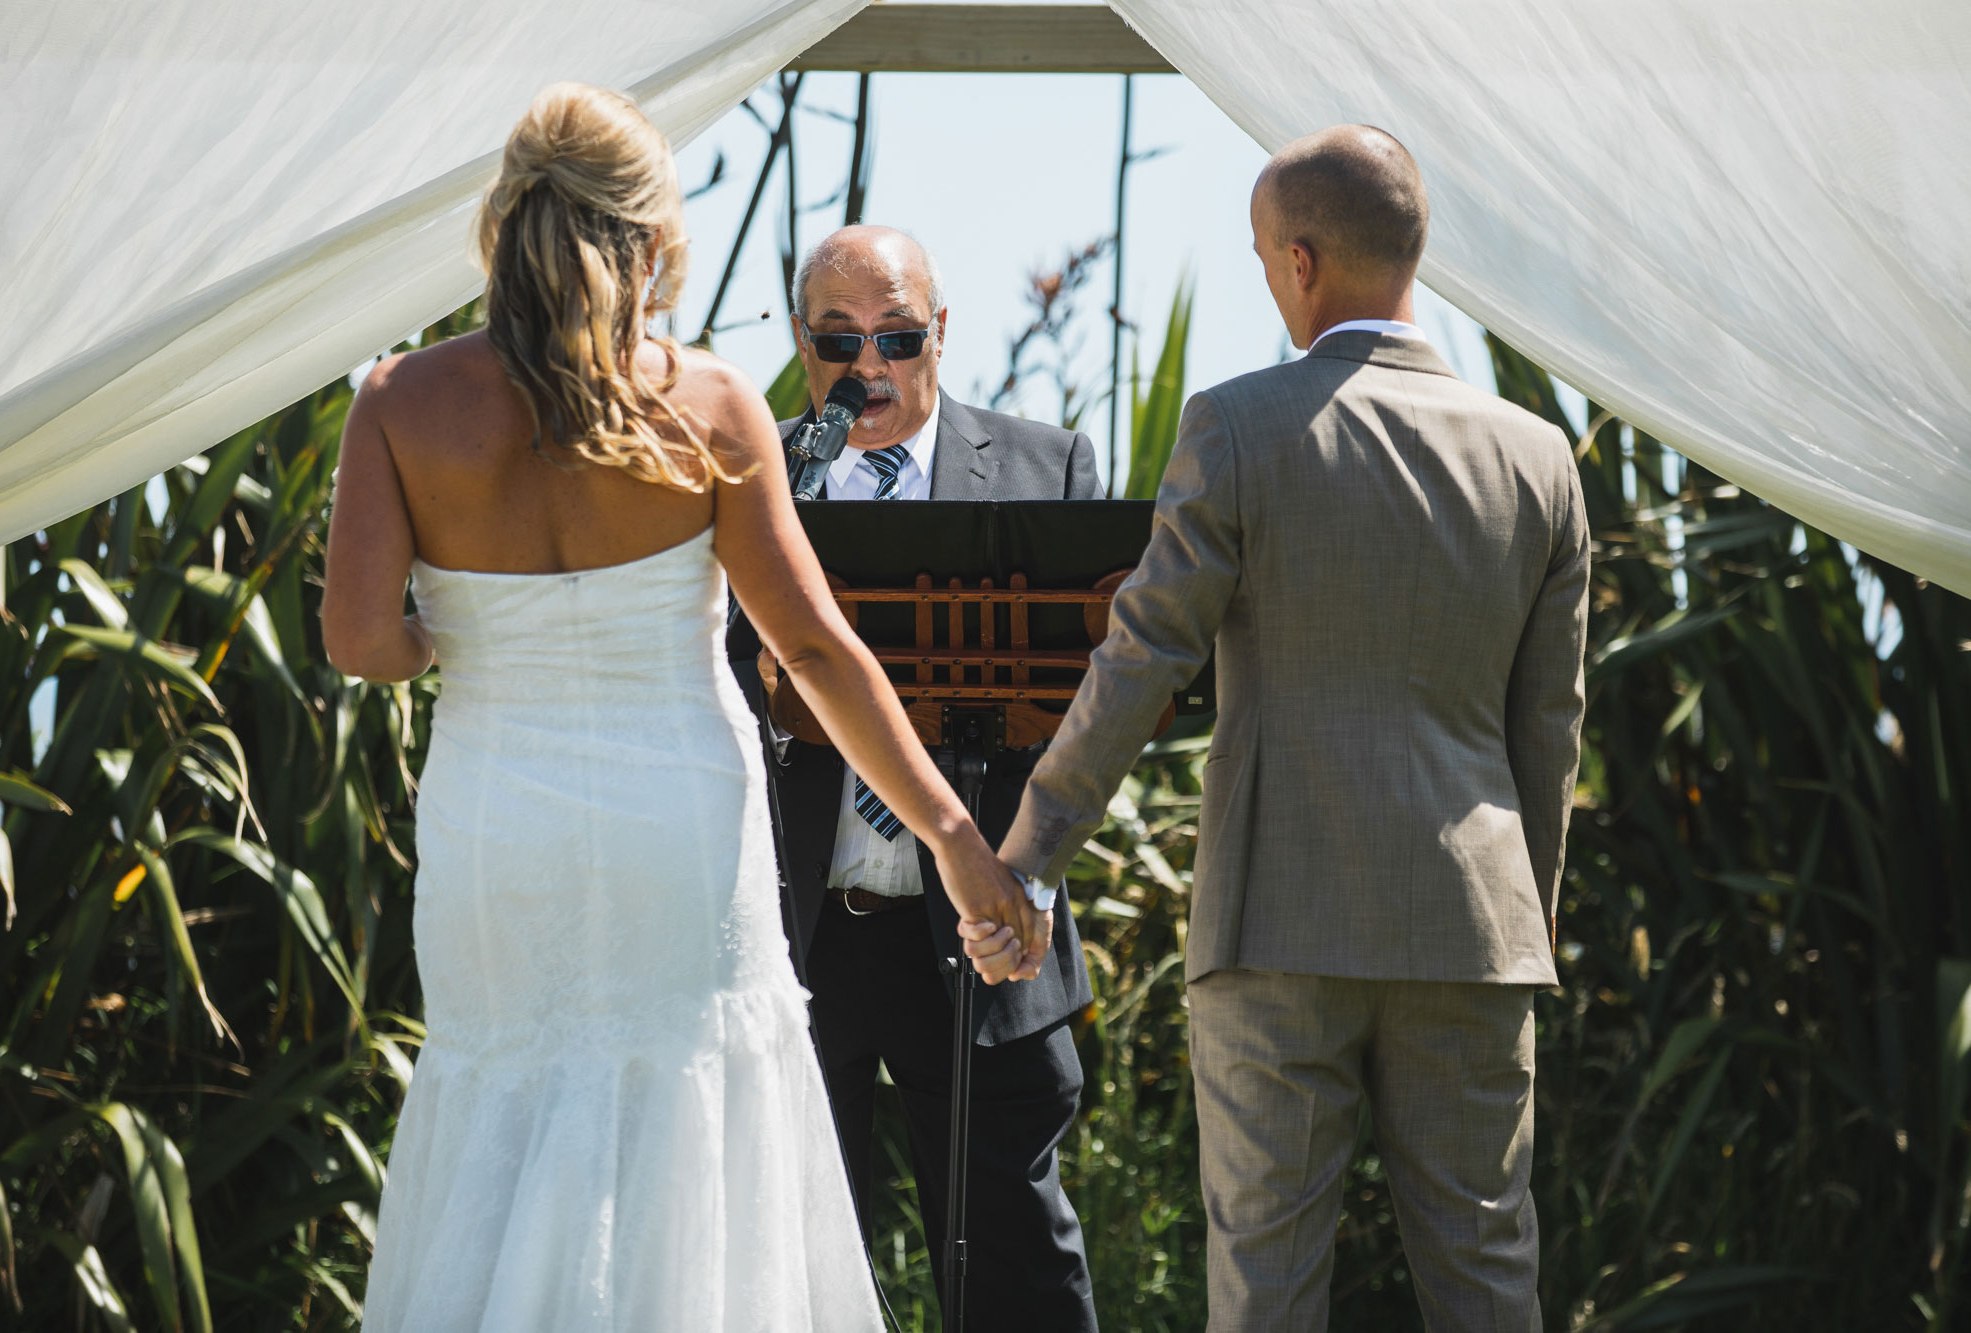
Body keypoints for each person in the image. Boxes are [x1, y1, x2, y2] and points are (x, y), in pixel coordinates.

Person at [320, 84, 1037, 1331]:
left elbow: (361, 643)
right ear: (654, 242)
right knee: (690, 1121)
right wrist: (959, 845)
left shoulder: (397, 401)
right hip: (679, 835)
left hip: (501, 837)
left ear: (502, 228)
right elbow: (813, 649)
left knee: (504, 1100)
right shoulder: (708, 403)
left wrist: (462, 634)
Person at [993, 125, 1590, 1331]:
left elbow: (1141, 655)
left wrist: (1028, 856)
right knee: (1486, 1280)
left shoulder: (1239, 429)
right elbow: (1550, 730)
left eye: (1266, 258)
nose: (1270, 279)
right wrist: (1518, 919)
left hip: (1277, 921)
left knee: (1264, 1287)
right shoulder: (1538, 460)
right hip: (1474, 931)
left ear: (1302, 262)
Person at [724, 225, 1100, 1332]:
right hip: (800, 937)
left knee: (1016, 1268)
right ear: (802, 345)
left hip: (985, 940)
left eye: (896, 335)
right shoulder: (750, 477)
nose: (869, 366)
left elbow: (1089, 715)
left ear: (938, 331)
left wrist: (1024, 883)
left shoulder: (1049, 467)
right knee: (785, 1270)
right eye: (839, 341)